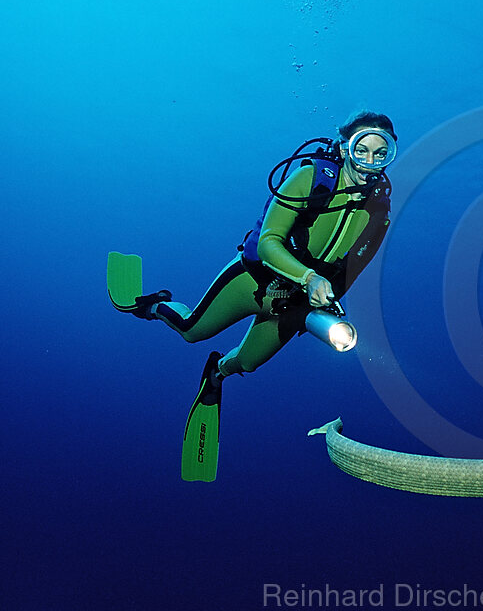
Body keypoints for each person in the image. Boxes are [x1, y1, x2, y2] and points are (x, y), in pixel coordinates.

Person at [107, 110, 397, 480]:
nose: (369, 163)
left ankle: (215, 374)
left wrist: (328, 304)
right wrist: (308, 277)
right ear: (344, 148)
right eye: (362, 149)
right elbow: (269, 241)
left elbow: (352, 269)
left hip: (294, 305)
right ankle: (151, 305)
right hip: (255, 281)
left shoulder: (379, 210)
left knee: (247, 364)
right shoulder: (310, 178)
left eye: (381, 153)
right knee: (193, 330)